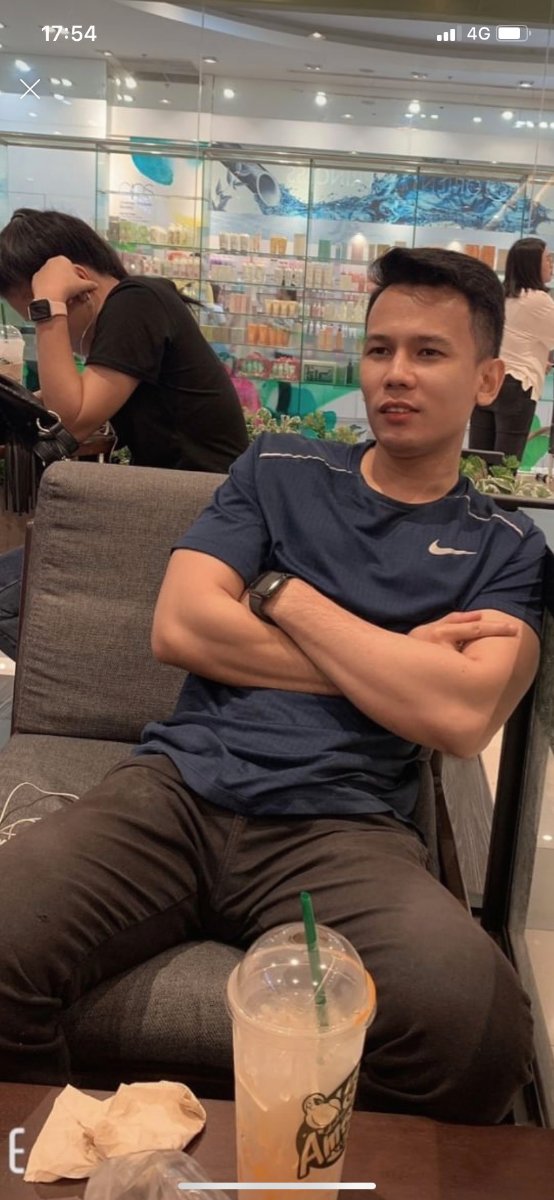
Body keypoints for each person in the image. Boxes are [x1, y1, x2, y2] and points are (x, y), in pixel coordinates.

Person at [0, 248, 546, 1125]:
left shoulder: (505, 546)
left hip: (345, 827)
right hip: (178, 791)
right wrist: (394, 660)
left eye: (429, 353)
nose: (395, 374)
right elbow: (181, 627)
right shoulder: (278, 468)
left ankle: (314, 1163)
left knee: (477, 1028)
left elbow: (458, 715)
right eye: (380, 349)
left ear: (487, 379)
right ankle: (68, 1147)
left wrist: (279, 593)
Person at [0, 208, 249, 658]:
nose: (55, 333)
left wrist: (48, 307)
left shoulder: (136, 302)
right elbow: (61, 405)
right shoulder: (135, 306)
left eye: (34, 306)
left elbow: (69, 421)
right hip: (185, 507)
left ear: (77, 280)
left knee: (6, 597)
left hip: (195, 514)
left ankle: (93, 679)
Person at [469, 235, 554, 462]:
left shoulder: (500, 295)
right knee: (506, 464)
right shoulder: (538, 300)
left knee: (478, 461)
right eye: (547, 259)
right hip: (516, 386)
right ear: (531, 265)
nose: (551, 264)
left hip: (487, 381)